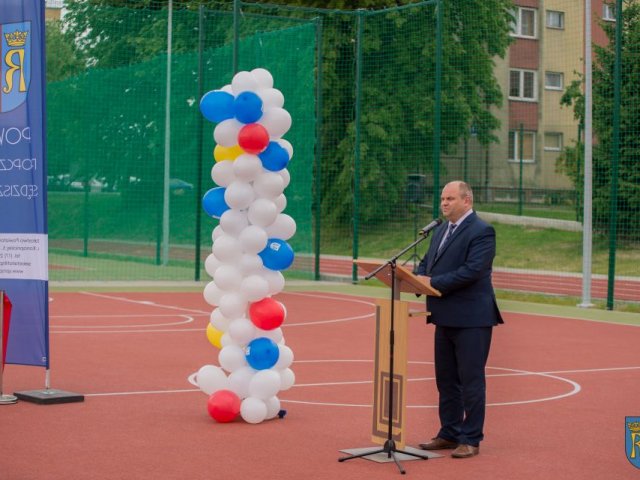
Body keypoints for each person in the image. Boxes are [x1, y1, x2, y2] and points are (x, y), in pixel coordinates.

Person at [415, 180, 503, 459]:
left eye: (450, 198)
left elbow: (472, 271)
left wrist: (432, 282)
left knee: (471, 381)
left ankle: (471, 438)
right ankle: (449, 433)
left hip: (472, 319)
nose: (444, 203)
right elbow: (426, 263)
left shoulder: (482, 231)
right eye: (442, 198)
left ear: (467, 201)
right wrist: (416, 278)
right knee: (446, 380)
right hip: (444, 317)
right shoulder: (440, 230)